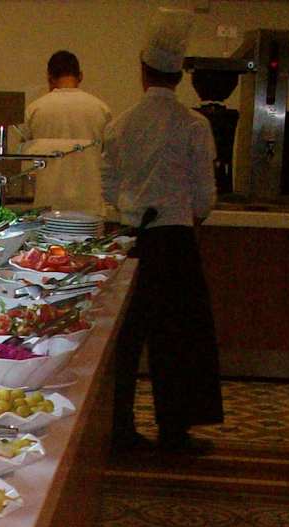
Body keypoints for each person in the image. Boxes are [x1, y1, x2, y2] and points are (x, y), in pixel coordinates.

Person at [102, 8, 222, 455]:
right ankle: (174, 432)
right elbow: (205, 198)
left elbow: (109, 188)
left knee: (126, 340)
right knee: (178, 340)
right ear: (180, 75)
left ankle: (120, 429)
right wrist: (191, 214)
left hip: (132, 239)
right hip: (175, 241)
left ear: (142, 71)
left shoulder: (120, 125)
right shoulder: (194, 125)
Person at [22, 51, 113, 216]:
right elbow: (109, 158)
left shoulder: (35, 109)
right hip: (90, 205)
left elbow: (25, 153)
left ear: (50, 78)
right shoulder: (100, 109)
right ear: (80, 76)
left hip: (48, 204)